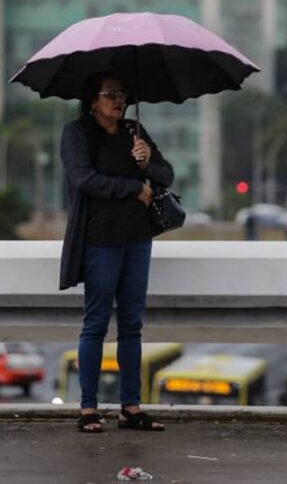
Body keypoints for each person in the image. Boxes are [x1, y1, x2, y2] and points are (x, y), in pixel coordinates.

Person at [60, 73, 174, 433]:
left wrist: (146, 162)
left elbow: (166, 175)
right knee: (95, 324)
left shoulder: (133, 131)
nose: (117, 100)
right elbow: (83, 179)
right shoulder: (78, 133)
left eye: (122, 93)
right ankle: (88, 409)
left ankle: (131, 407)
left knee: (131, 325)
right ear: (92, 100)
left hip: (138, 238)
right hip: (99, 239)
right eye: (109, 94)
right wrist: (131, 187)